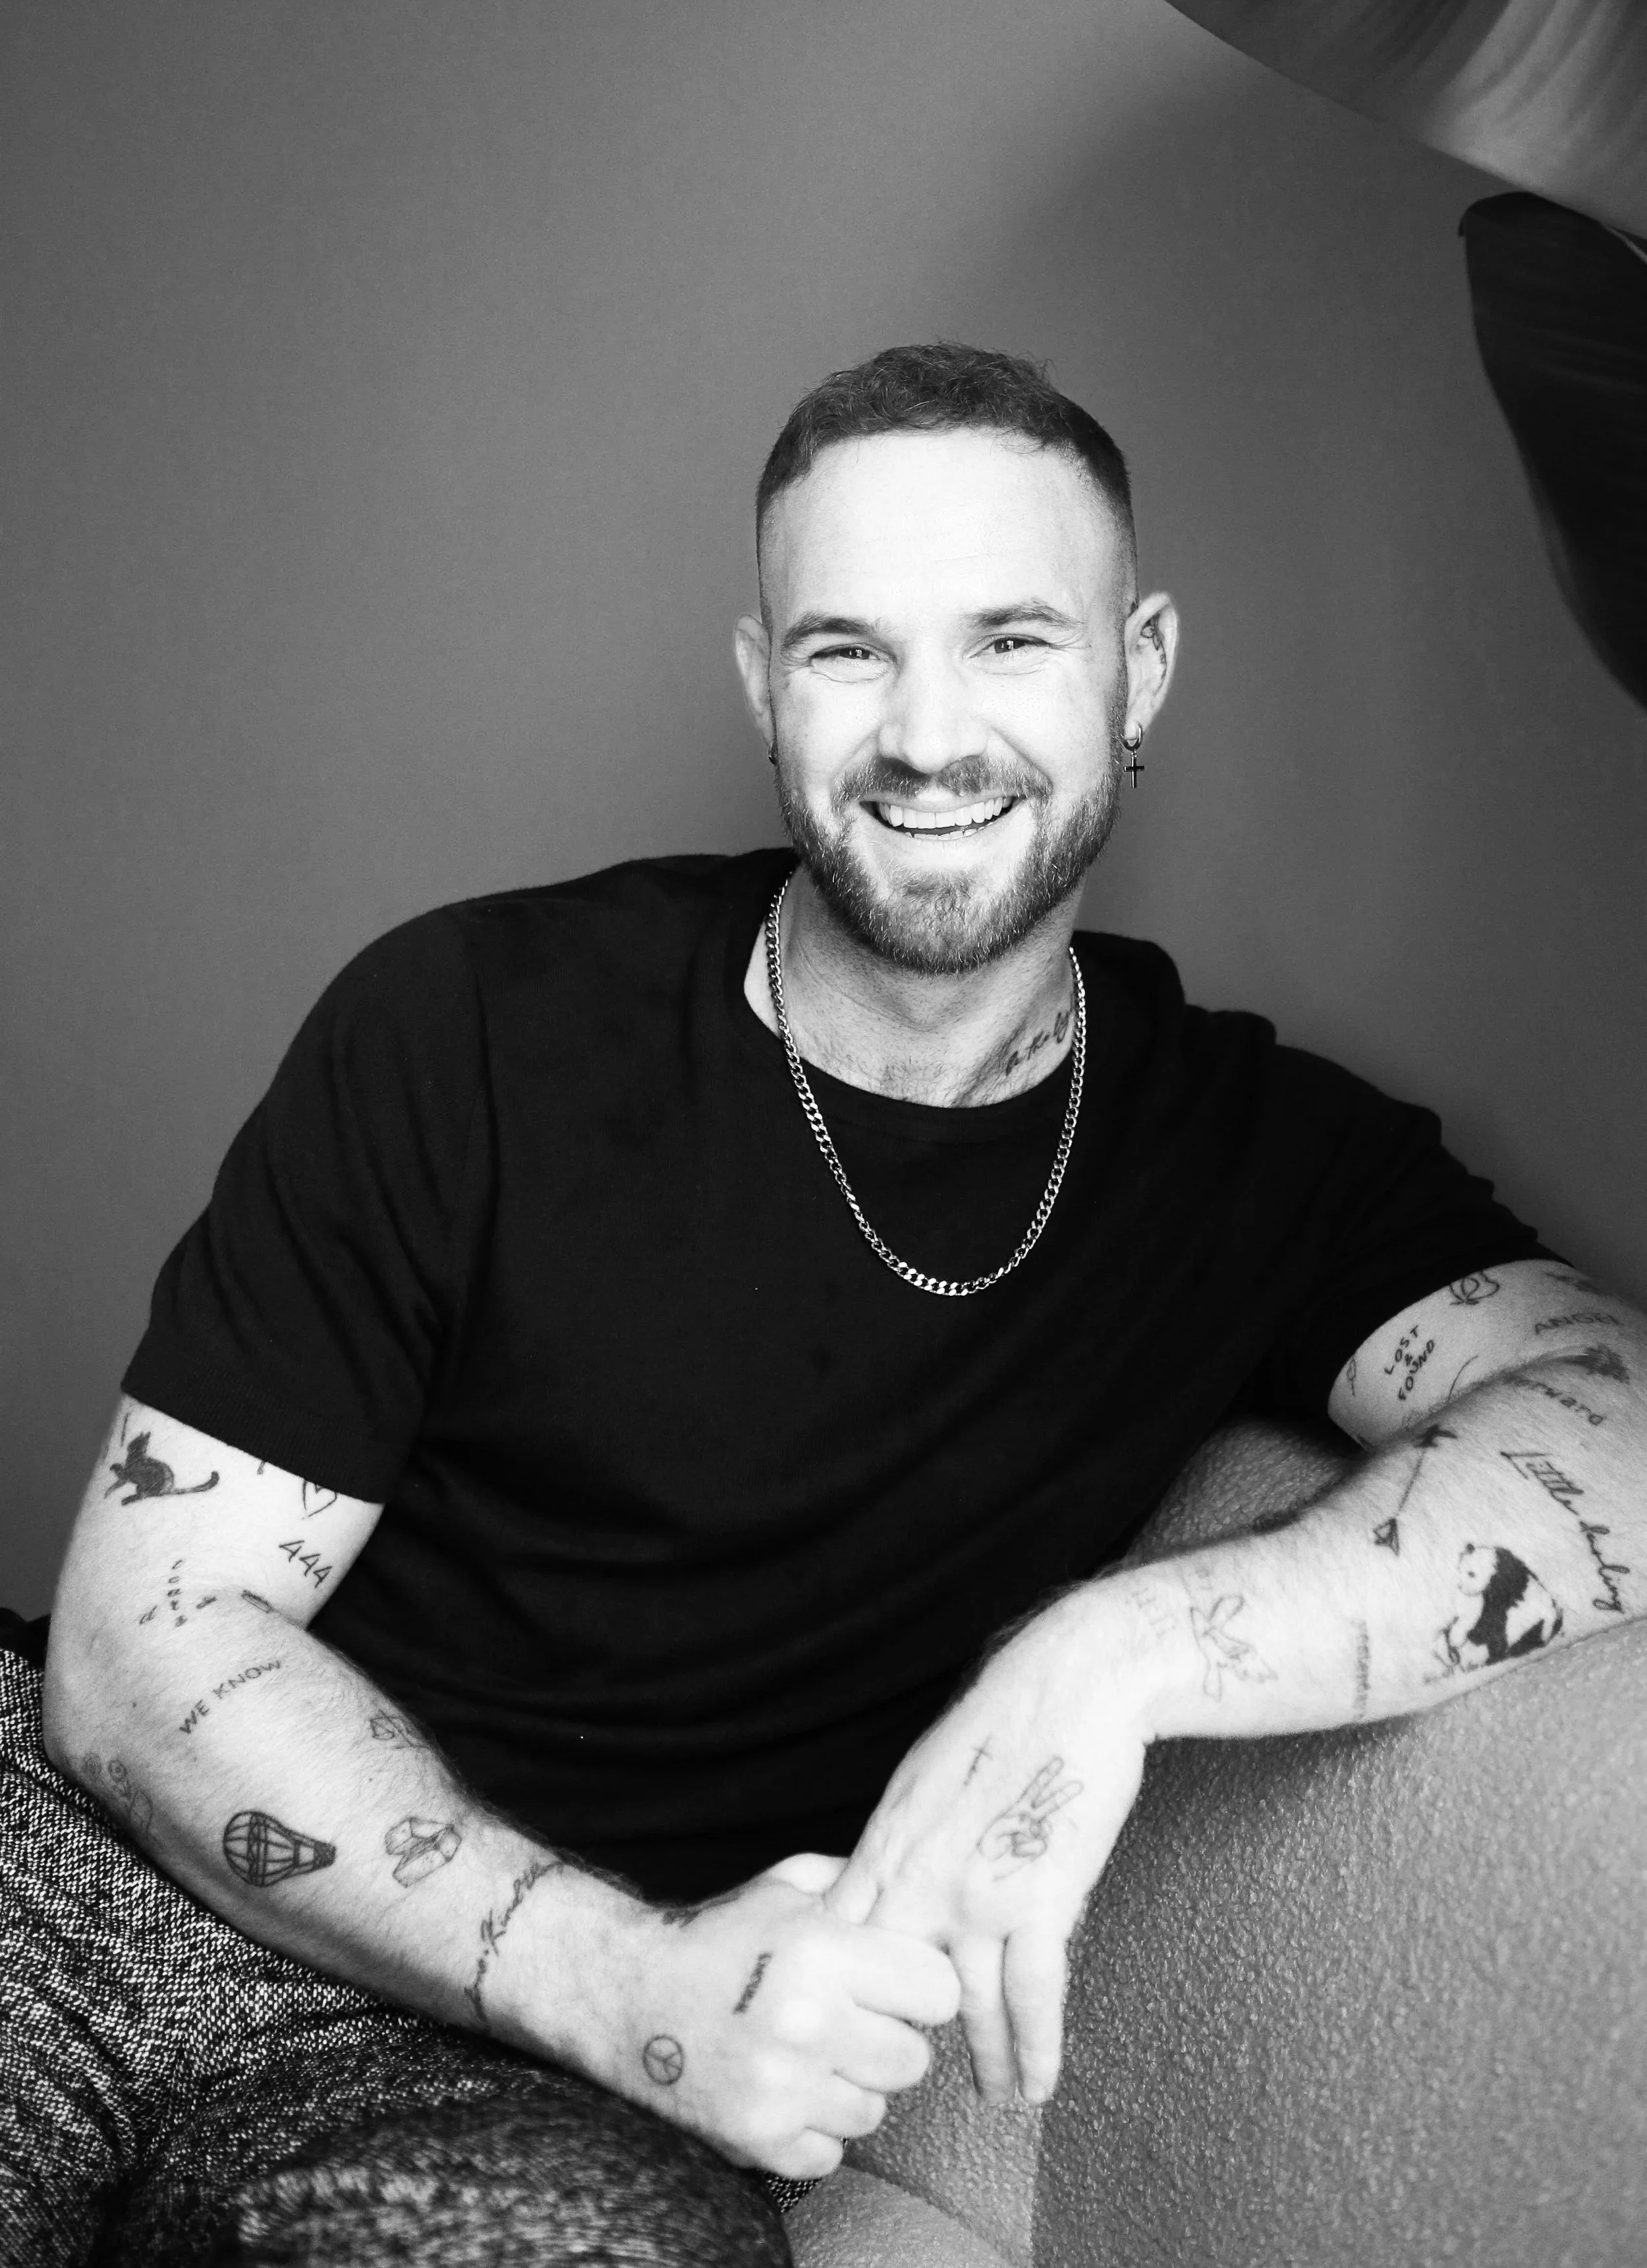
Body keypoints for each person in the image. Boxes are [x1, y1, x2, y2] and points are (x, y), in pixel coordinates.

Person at [10, 341, 1645, 2267]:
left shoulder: (1255, 1154)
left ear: (1140, 671)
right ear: (761, 686)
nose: (927, 736)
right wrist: (623, 1979)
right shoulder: (467, 1022)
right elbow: (137, 1650)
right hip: (94, 1896)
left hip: (518, 2097)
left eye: (1012, 640)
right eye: (848, 651)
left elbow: (1611, 1404)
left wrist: (1120, 1655)